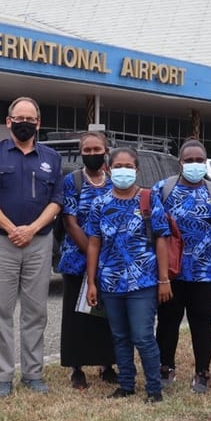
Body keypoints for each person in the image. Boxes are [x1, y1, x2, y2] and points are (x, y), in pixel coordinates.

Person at [0, 96, 63, 397]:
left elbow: (57, 201)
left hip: (39, 243)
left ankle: (33, 373)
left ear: (38, 123)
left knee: (36, 311)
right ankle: (2, 376)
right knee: (1, 310)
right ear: (8, 121)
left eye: (30, 119)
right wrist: (13, 229)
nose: (24, 123)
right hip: (2, 242)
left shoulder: (52, 157)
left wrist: (33, 229)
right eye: (18, 118)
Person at [85, 147, 171, 403]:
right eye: (118, 166)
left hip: (142, 281)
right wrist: (92, 282)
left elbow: (162, 240)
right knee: (120, 336)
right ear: (108, 169)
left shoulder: (148, 198)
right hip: (110, 282)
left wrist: (164, 279)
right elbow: (93, 243)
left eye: (128, 166)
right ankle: (126, 384)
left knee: (143, 336)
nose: (123, 171)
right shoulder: (100, 203)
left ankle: (154, 389)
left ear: (137, 170)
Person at [153, 139, 211, 393]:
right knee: (167, 322)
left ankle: (202, 372)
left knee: (201, 323)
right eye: (189, 160)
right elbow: (156, 233)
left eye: (199, 160)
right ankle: (165, 367)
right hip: (172, 273)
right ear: (180, 162)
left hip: (204, 274)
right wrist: (161, 274)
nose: (194, 164)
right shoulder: (163, 189)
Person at [55, 131, 117, 390]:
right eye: (87, 150)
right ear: (81, 152)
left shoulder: (115, 182)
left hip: (111, 262)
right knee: (76, 315)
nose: (92, 154)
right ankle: (76, 367)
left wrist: (105, 260)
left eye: (97, 149)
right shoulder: (72, 181)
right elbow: (70, 222)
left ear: (106, 151)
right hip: (77, 259)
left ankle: (107, 363)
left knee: (106, 315)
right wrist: (94, 255)